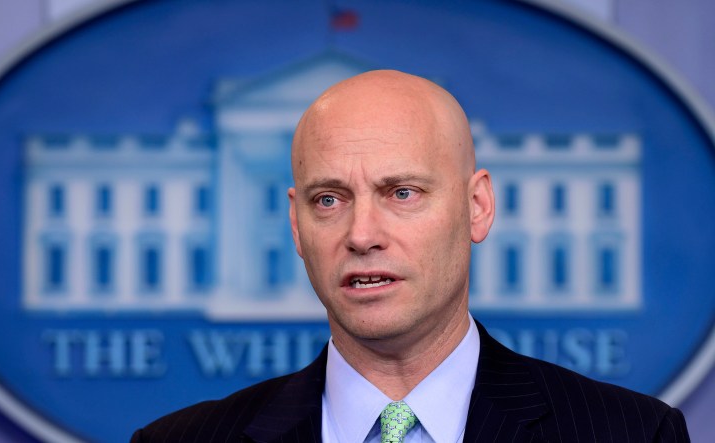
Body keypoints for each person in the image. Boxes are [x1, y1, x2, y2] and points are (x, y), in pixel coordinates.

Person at [131, 70, 689, 442]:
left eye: (402, 193)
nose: (362, 234)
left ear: (477, 207)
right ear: (296, 226)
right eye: (330, 199)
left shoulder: (631, 433)